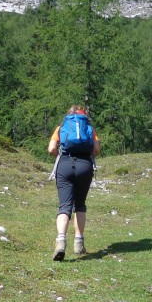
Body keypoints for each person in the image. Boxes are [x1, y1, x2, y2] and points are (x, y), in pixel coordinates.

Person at [48, 106, 101, 261]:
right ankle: (79, 243)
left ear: (69, 115)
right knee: (80, 205)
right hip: (85, 165)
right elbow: (97, 149)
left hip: (64, 164)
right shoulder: (89, 128)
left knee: (64, 205)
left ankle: (61, 242)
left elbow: (51, 149)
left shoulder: (62, 127)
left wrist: (61, 156)